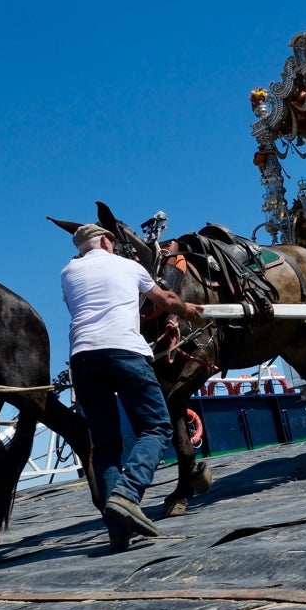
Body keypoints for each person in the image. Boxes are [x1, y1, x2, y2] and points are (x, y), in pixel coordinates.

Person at [60, 222, 202, 551]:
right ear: (107, 241)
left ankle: (119, 529)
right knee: (156, 427)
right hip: (125, 352)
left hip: (82, 358)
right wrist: (187, 310)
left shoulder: (68, 271)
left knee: (106, 445)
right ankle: (128, 493)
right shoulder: (128, 265)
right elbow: (165, 297)